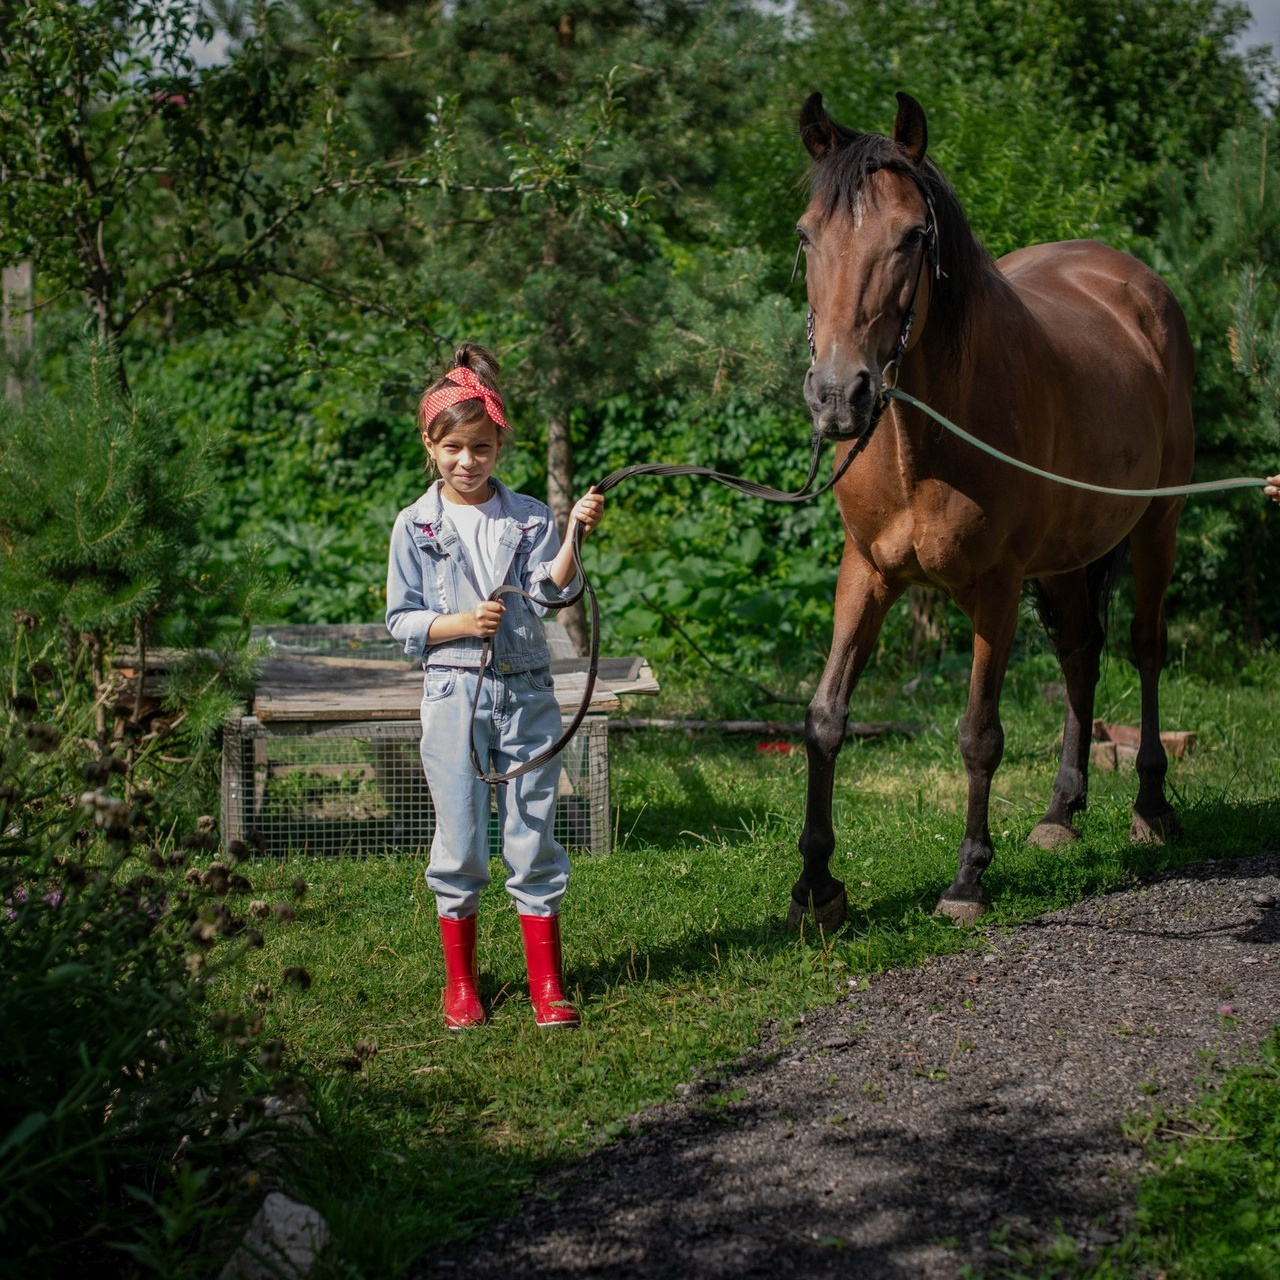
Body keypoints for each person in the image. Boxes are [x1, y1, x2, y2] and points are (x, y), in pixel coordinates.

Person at [386, 343, 604, 1030]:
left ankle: (547, 985)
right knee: (459, 840)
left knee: (534, 832)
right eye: (453, 447)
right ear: (430, 445)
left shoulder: (531, 516)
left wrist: (572, 533)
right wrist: (458, 622)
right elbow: (402, 620)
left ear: (499, 446)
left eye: (481, 448)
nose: (467, 461)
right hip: (453, 697)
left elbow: (551, 592)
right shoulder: (415, 525)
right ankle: (462, 987)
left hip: (527, 691)